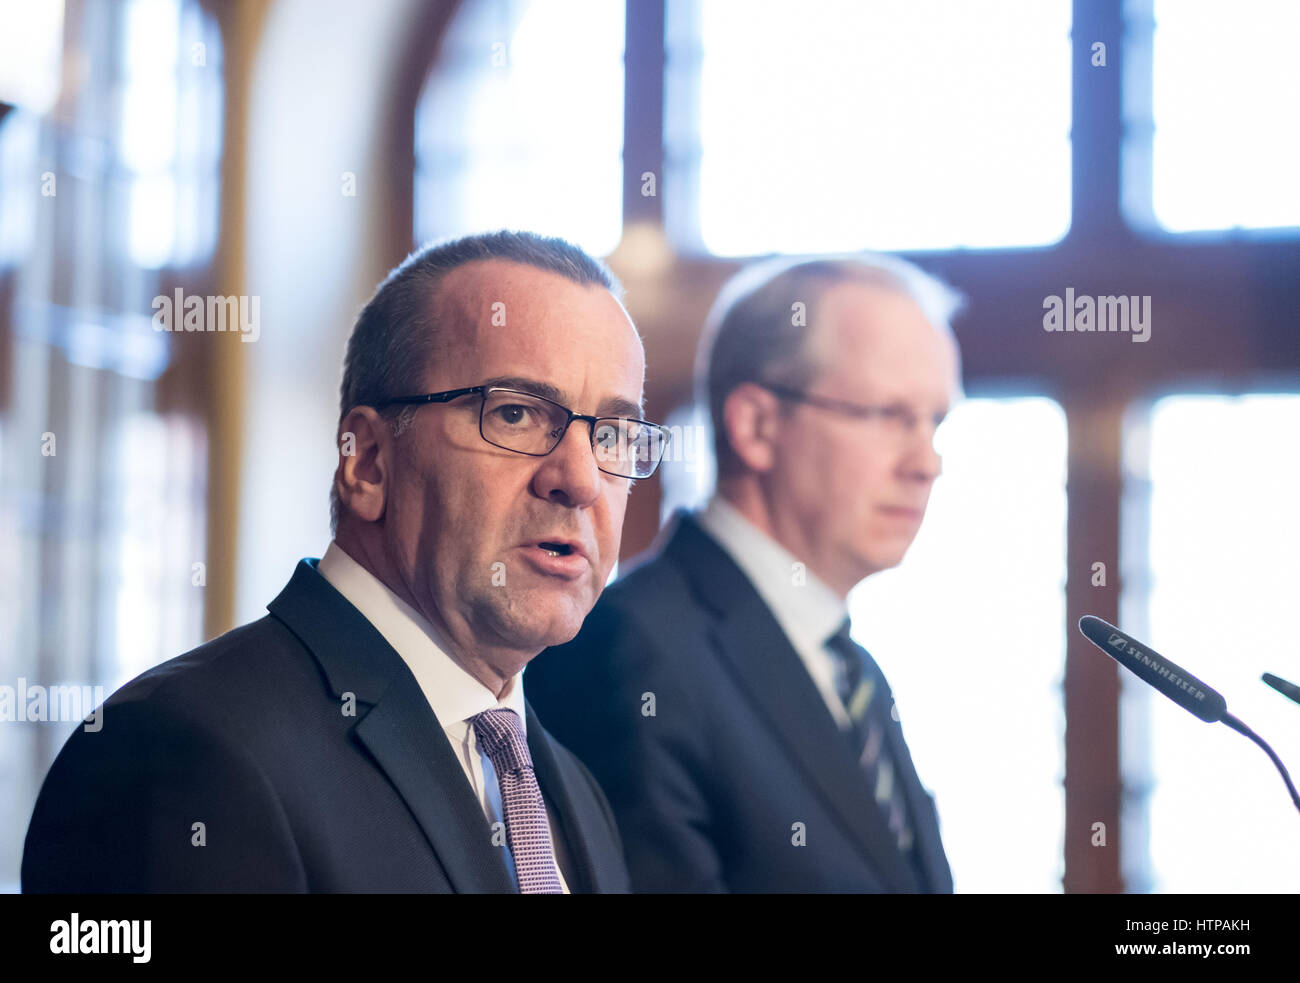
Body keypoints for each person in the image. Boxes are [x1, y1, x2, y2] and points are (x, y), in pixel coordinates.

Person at [22, 230, 670, 893]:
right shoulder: (179, 751)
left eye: (613, 434)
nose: (581, 479)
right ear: (367, 463)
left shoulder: (573, 790)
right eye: (514, 414)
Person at [527, 254, 962, 892]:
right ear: (757, 425)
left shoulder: (856, 672)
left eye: (936, 422)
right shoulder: (629, 649)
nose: (927, 462)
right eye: (890, 416)